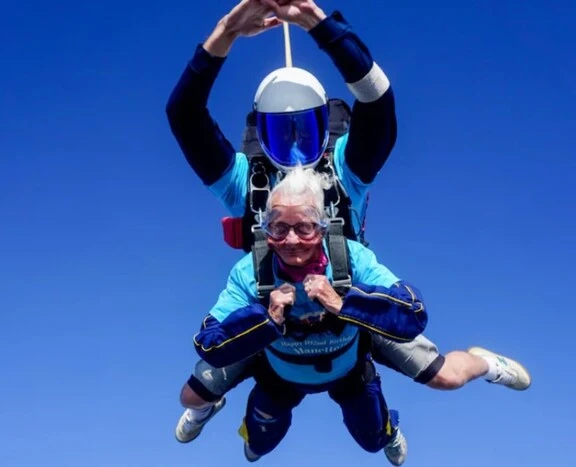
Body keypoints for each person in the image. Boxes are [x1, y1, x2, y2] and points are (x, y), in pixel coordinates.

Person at [166, 0, 531, 450]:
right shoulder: (248, 182)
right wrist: (225, 32)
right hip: (272, 325)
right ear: (261, 133)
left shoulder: (343, 175)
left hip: (351, 323)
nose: (295, 147)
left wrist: (319, 24)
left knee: (443, 381)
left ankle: (481, 363)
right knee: (240, 432)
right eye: (281, 133)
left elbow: (378, 104)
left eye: (306, 131)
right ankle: (208, 406)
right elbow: (185, 116)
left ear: (325, 129)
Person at [193, 166, 426, 464]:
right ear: (265, 231)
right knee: (255, 446)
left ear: (323, 228)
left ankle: (391, 430)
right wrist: (266, 318)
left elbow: (414, 312)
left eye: (304, 227)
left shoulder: (350, 257)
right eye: (278, 228)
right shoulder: (251, 270)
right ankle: (208, 410)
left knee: (375, 437)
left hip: (348, 368)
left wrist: (345, 304)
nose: (291, 240)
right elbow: (207, 343)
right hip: (280, 372)